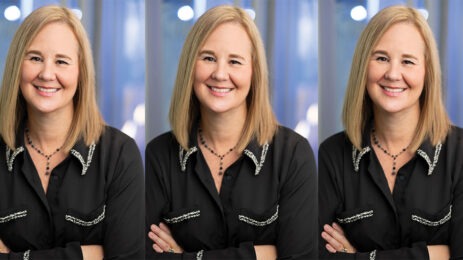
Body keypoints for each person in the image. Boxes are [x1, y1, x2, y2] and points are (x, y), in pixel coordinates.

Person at [145, 5, 317, 259]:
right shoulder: (159, 155)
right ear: (190, 66)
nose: (220, 73)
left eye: (234, 61)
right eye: (208, 58)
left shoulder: (292, 155)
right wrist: (261, 255)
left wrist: (183, 255)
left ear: (253, 71)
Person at [319, 5, 463, 260]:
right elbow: (317, 254)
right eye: (381, 58)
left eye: (407, 61)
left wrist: (356, 256)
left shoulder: (460, 153)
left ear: (427, 72)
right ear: (363, 66)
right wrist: (434, 254)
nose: (393, 74)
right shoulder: (333, 154)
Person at [0, 5, 144, 259]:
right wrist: (86, 255)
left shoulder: (119, 155)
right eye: (35, 58)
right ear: (16, 67)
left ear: (81, 72)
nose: (47, 73)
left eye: (61, 61)